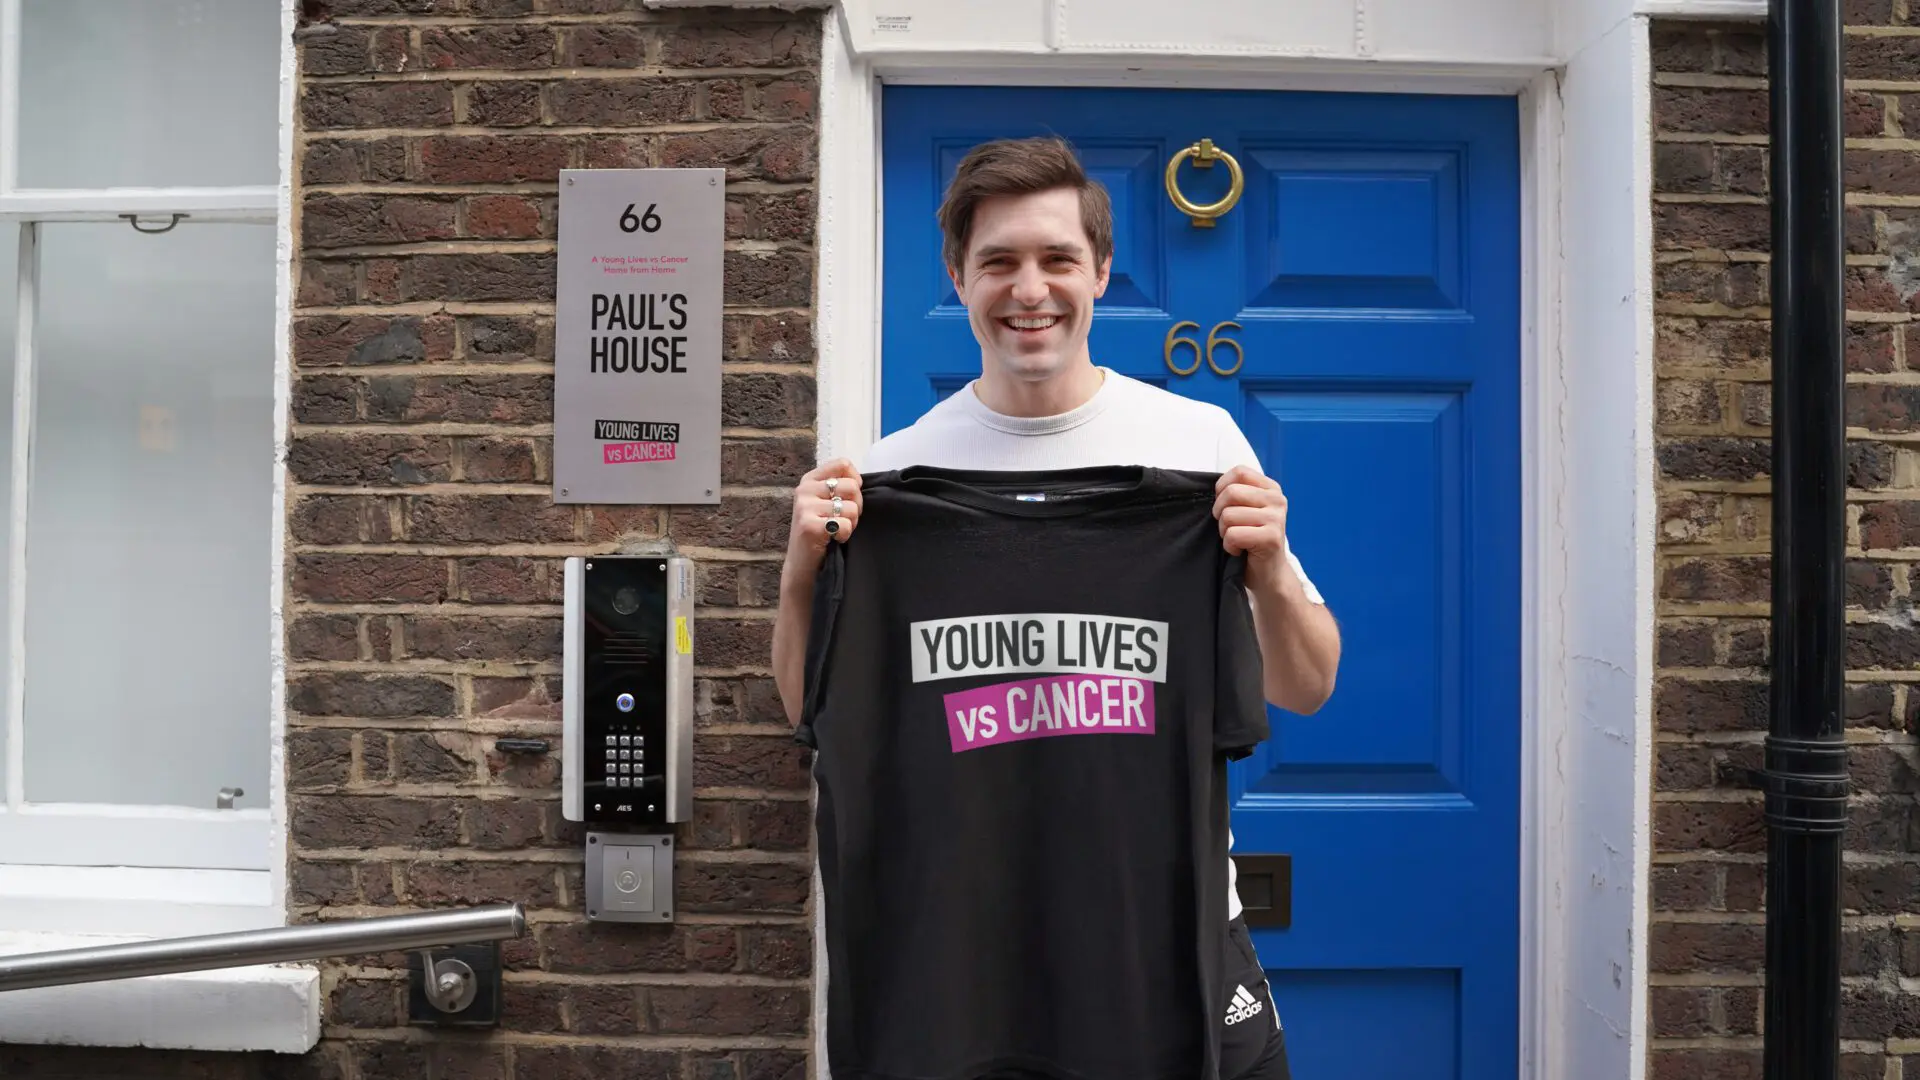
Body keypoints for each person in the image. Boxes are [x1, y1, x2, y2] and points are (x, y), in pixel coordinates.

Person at [772, 135, 1341, 1079]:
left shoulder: (1199, 452)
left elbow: (1308, 685)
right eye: (998, 261)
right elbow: (811, 711)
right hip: (955, 957)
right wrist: (803, 571)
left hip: (1163, 931)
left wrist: (1270, 566)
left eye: (1056, 260)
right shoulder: (886, 478)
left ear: (1101, 273)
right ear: (958, 276)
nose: (1028, 289)